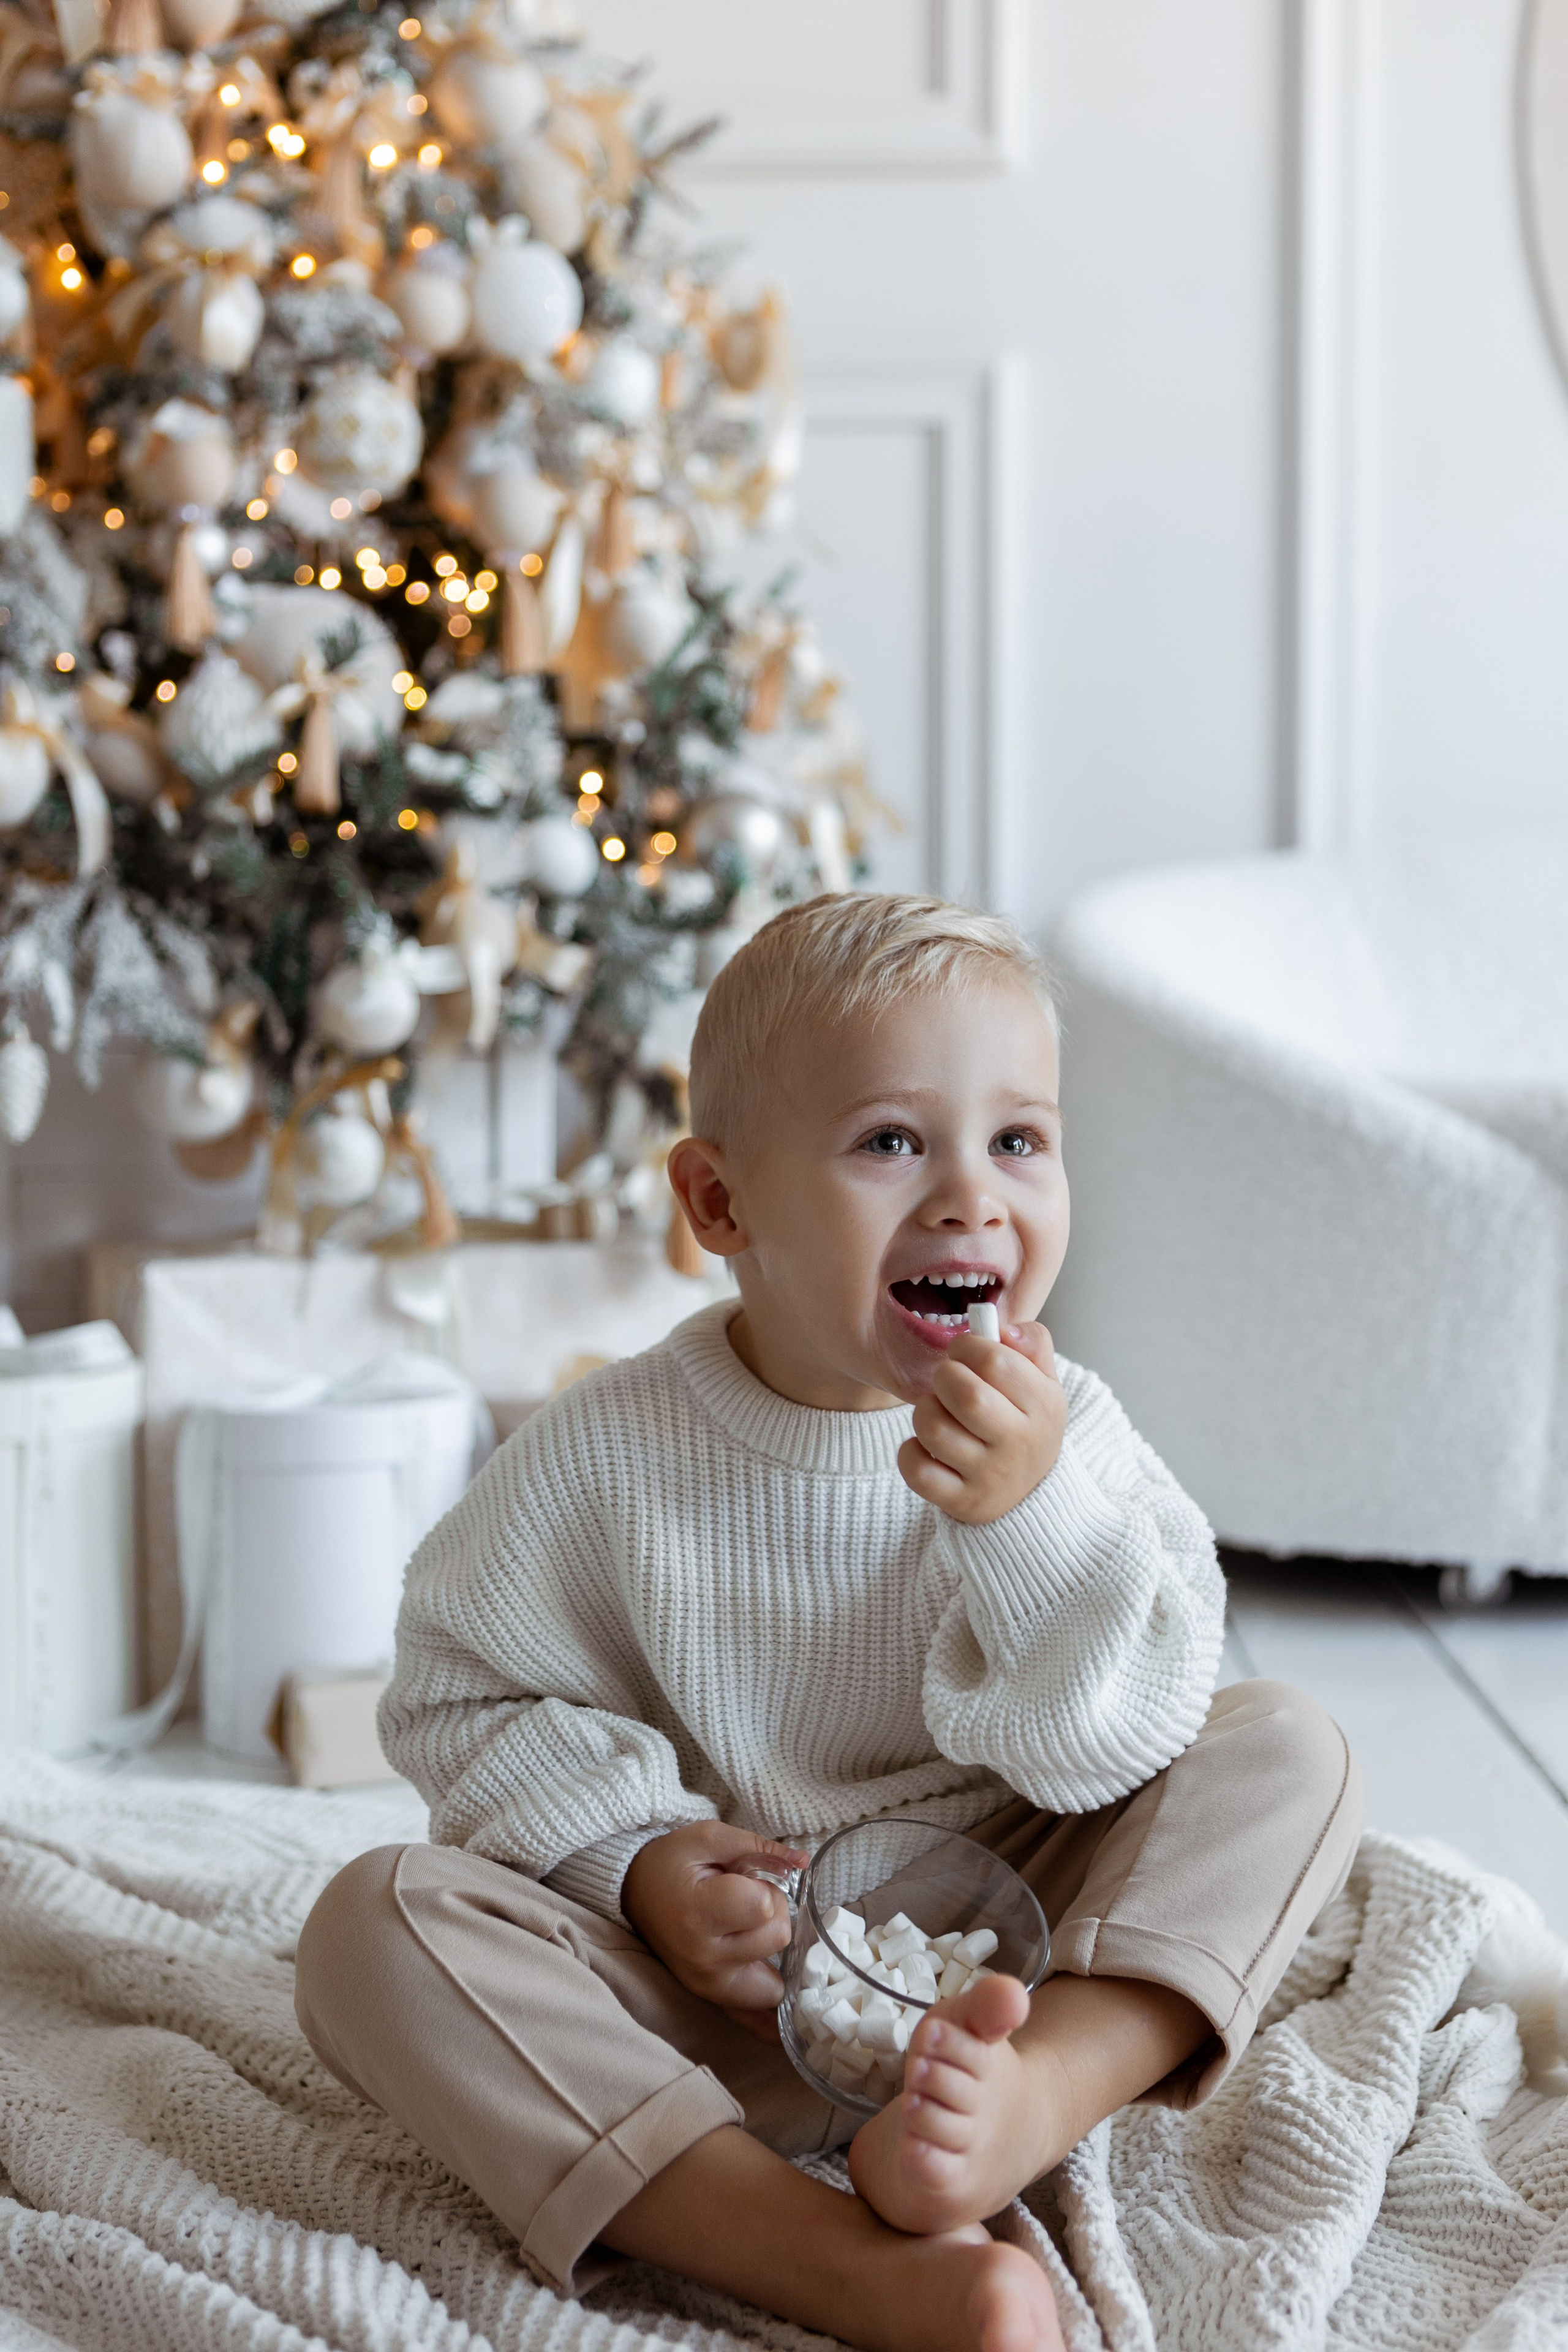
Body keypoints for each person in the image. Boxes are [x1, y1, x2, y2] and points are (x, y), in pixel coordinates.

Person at [295, 893, 1362, 2352]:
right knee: (373, 1923)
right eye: (889, 1142)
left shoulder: (1072, 1437)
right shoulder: (606, 1452)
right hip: (731, 1986)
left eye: (1018, 1142)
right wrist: (642, 1866)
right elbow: (457, 1693)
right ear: (719, 1205)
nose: (971, 1199)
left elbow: (1122, 1734)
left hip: (1020, 1932)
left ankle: (1027, 2100)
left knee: (1285, 1749)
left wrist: (1028, 1524)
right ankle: (838, 2263)